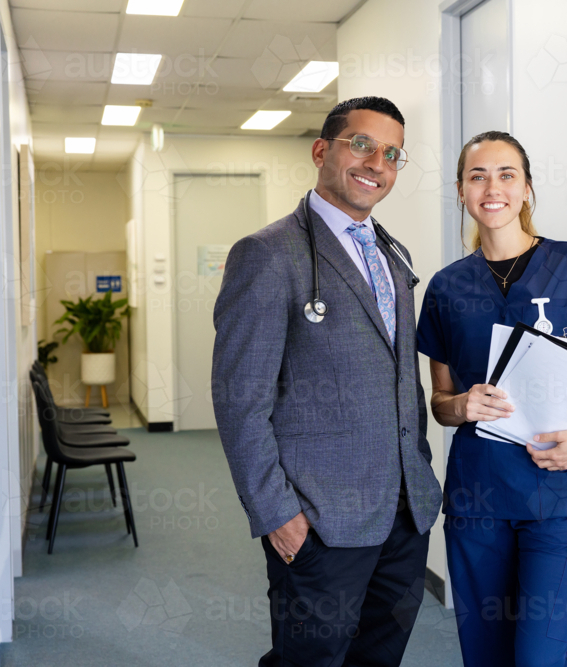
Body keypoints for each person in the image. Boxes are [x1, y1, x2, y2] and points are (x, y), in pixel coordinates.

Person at [212, 96, 443, 667]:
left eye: (392, 154)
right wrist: (275, 513)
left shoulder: (394, 254)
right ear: (322, 150)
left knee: (378, 658)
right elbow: (240, 400)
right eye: (361, 144)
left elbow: (401, 380)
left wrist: (420, 481)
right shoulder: (268, 255)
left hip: (403, 514)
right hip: (320, 519)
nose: (377, 163)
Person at [416, 131, 567, 666]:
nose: (493, 188)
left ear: (527, 189)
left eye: (506, 174)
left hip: (561, 495)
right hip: (479, 500)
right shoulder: (447, 288)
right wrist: (461, 405)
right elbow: (439, 399)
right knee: (486, 656)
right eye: (477, 176)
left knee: (538, 656)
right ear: (462, 191)